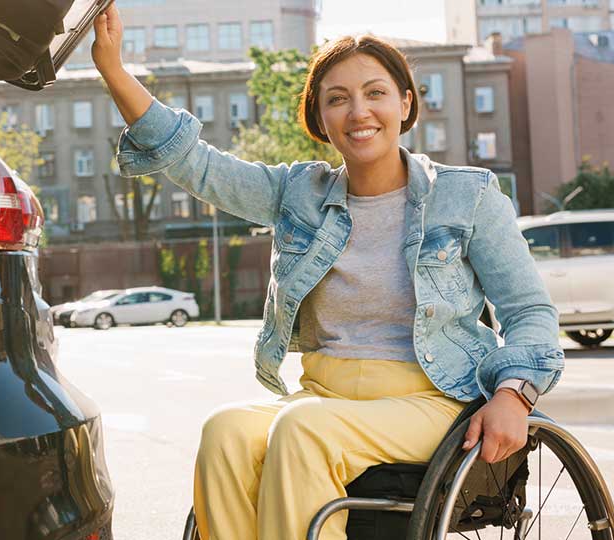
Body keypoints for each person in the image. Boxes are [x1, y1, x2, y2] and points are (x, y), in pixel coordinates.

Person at [91, 5, 564, 540]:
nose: (358, 111)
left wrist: (514, 394)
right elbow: (196, 163)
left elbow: (528, 311)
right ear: (320, 119)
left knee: (300, 430)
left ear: (405, 102)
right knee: (225, 430)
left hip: (432, 399)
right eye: (337, 99)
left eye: (375, 92)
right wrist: (113, 69)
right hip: (324, 393)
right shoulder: (299, 193)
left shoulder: (467, 196)